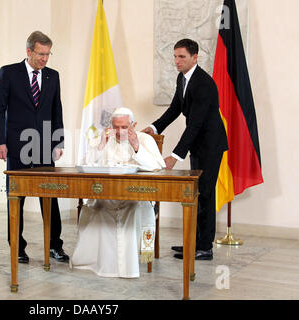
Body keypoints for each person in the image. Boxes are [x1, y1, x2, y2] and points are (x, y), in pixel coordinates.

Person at [142, 39, 228, 260]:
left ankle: (204, 247)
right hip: (198, 144)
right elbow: (175, 109)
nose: (177, 61)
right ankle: (194, 242)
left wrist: (175, 156)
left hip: (210, 145)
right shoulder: (183, 78)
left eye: (182, 57)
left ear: (195, 57)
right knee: (196, 193)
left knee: (206, 194)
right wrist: (153, 127)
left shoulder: (204, 84)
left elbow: (195, 125)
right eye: (175, 56)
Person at [0, 31, 68, 264]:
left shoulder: (53, 76)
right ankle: (17, 246)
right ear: (29, 52)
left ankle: (55, 245)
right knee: (17, 197)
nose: (45, 59)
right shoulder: (9, 73)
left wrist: (58, 141)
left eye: (48, 54)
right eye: (40, 54)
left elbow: (57, 110)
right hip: (16, 143)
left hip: (44, 142)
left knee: (50, 196)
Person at [71, 108, 166, 278]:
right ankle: (100, 264)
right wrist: (101, 145)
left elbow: (158, 167)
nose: (119, 132)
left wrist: (137, 147)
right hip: (107, 197)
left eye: (124, 127)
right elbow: (86, 165)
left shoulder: (145, 139)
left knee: (132, 209)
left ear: (134, 125)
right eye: (116, 127)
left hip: (136, 197)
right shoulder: (106, 139)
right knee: (97, 208)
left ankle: (128, 267)